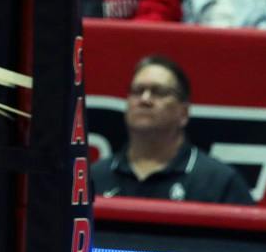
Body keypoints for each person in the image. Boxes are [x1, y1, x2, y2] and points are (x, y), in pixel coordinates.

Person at [89, 55, 254, 204]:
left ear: (183, 113)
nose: (145, 99)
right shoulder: (95, 177)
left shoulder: (219, 182)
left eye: (159, 92)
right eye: (137, 91)